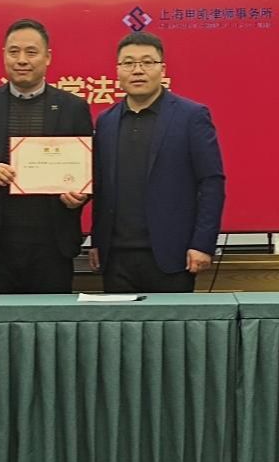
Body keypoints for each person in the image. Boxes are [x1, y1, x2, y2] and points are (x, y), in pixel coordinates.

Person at [0, 19, 92, 293]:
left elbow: (90, 170)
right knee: (0, 319)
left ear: (48, 57)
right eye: (14, 52)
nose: (22, 60)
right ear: (4, 55)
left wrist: (81, 195)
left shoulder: (73, 107)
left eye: (31, 52)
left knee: (51, 318)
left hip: (53, 244)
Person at [89, 31, 225, 293]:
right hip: (115, 256)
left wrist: (202, 243)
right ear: (117, 71)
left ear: (162, 69)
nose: (137, 70)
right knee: (117, 322)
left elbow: (211, 183)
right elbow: (102, 188)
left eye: (147, 62)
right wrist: (97, 240)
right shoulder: (105, 121)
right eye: (128, 63)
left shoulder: (191, 116)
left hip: (173, 255)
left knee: (171, 322)